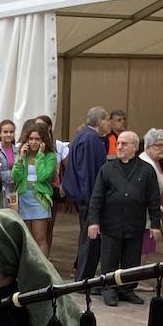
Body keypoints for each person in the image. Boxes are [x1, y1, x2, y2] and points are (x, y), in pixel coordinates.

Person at [87, 130, 161, 306]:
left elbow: (153, 199)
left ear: (135, 147)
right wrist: (94, 222)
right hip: (111, 223)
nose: (119, 147)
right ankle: (109, 289)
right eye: (118, 143)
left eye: (124, 144)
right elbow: (96, 198)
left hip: (134, 223)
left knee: (131, 260)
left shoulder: (146, 170)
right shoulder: (107, 169)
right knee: (109, 260)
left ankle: (127, 289)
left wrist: (155, 224)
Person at [62, 107, 112, 280]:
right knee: (90, 238)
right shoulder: (90, 139)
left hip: (84, 196)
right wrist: (93, 200)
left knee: (88, 237)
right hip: (88, 197)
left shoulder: (83, 135)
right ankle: (84, 278)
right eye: (107, 120)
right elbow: (87, 172)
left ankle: (84, 275)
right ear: (99, 121)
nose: (109, 124)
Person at [14, 119, 58, 256]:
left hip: (39, 199)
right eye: (31, 139)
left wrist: (39, 156)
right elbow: (15, 177)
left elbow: (43, 176)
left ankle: (42, 266)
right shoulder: (22, 154)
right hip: (24, 198)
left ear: (43, 140)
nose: (33, 142)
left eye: (37, 139)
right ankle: (28, 265)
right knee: (27, 239)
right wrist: (20, 159)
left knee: (40, 238)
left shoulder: (49, 156)